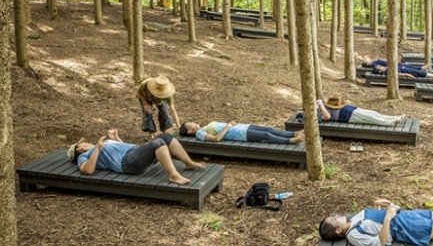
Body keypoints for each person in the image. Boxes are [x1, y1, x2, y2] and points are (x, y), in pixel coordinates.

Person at [67, 129, 206, 185]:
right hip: (128, 163)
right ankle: (173, 175)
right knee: (158, 142)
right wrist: (97, 148)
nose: (85, 142)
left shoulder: (99, 146)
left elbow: (118, 150)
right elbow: (87, 170)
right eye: (83, 142)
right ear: (79, 148)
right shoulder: (83, 156)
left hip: (135, 153)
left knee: (166, 137)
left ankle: (189, 162)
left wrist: (116, 139)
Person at [179, 121, 305, 144]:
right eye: (190, 124)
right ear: (189, 131)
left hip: (242, 127)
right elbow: (217, 139)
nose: (193, 122)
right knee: (266, 136)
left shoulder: (204, 126)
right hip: (239, 135)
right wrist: (228, 126)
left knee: (269, 129)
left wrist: (231, 124)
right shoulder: (199, 134)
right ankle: (291, 141)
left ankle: (294, 133)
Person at [317, 94, 405, 126]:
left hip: (352, 110)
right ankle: (392, 122)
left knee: (374, 113)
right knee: (371, 118)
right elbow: (327, 117)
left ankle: (393, 117)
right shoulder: (320, 113)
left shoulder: (323, 107)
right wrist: (320, 106)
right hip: (349, 116)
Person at [137, 75, 180, 139]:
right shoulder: (145, 84)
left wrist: (178, 125)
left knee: (164, 112)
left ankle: (164, 132)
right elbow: (139, 93)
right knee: (148, 113)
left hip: (160, 100)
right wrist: (146, 104)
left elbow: (172, 110)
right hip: (146, 97)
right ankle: (150, 134)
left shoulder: (168, 95)